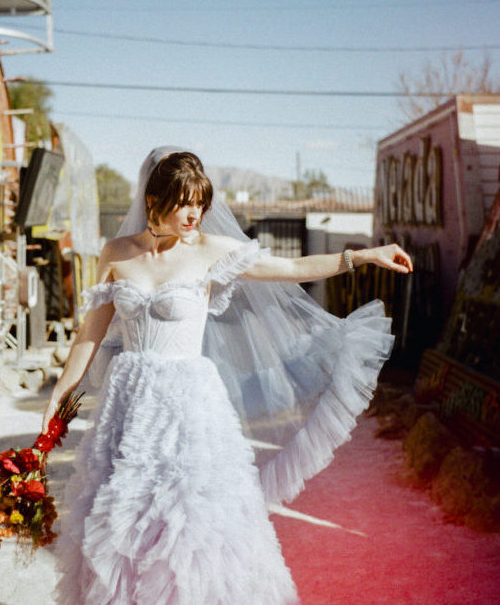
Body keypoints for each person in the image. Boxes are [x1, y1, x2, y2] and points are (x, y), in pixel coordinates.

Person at [42, 147, 413, 605]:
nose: (195, 213)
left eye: (201, 202)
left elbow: (293, 268)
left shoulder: (213, 252)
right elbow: (89, 335)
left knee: (192, 521)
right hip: (128, 404)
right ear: (154, 201)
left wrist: (366, 255)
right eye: (184, 202)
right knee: (123, 518)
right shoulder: (117, 253)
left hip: (187, 405)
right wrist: (60, 394)